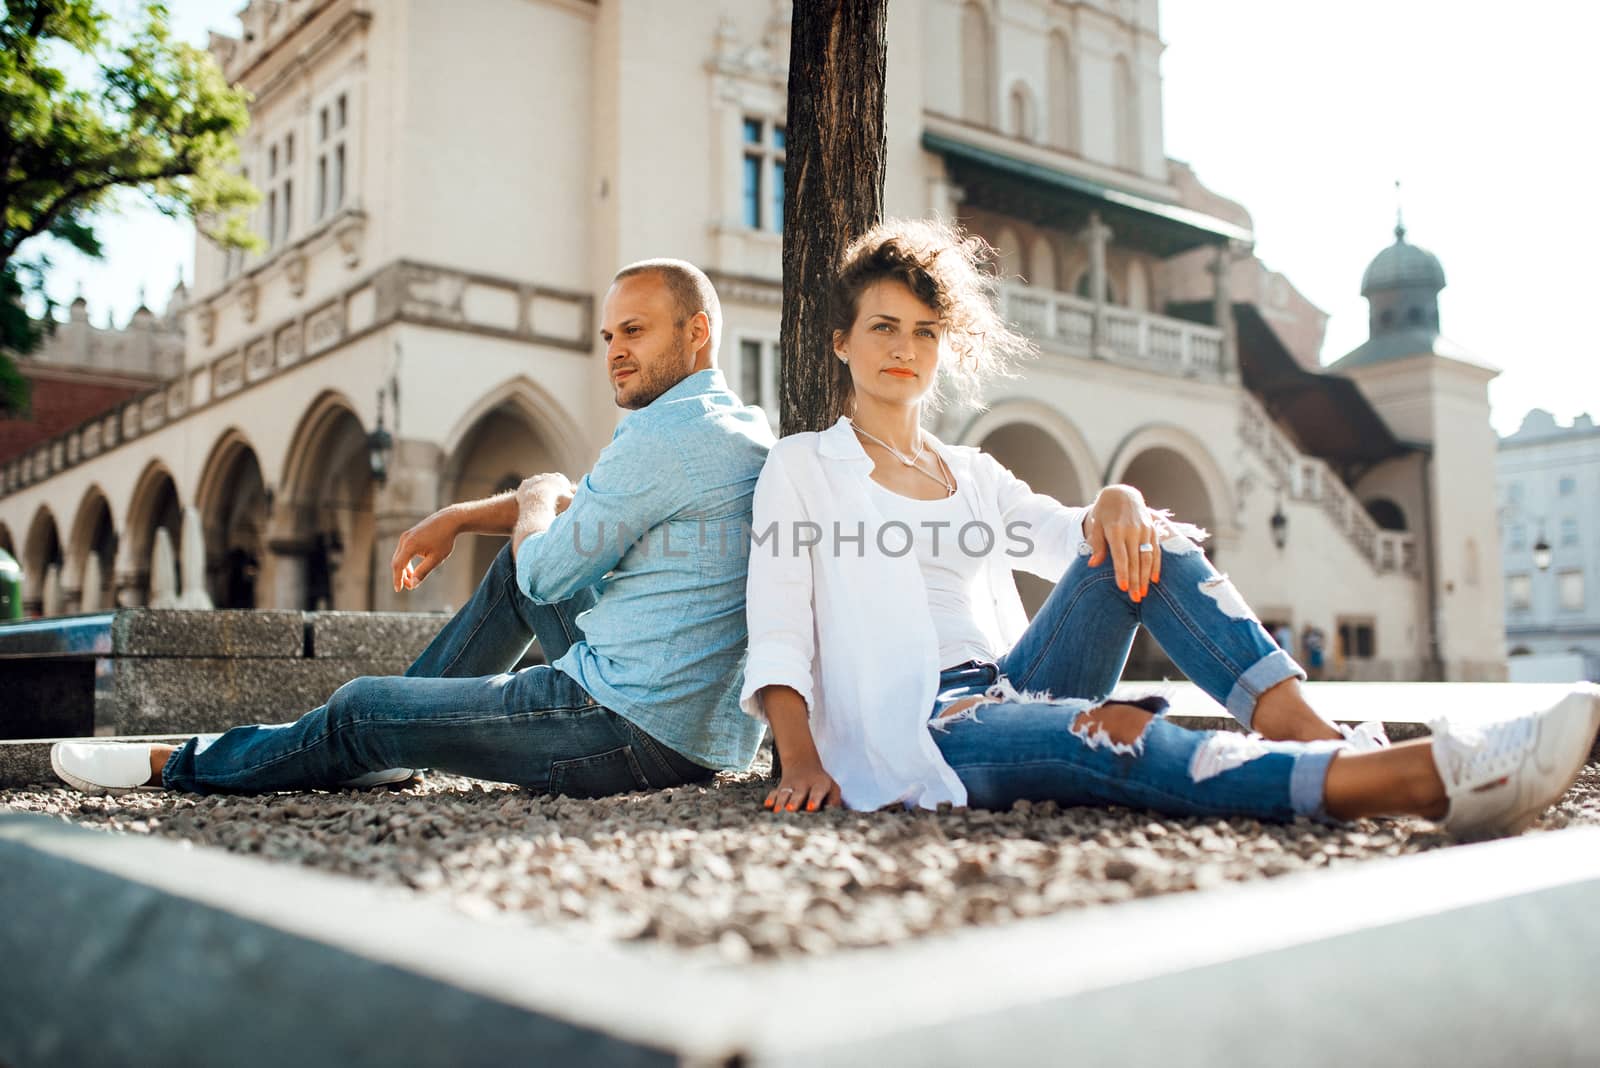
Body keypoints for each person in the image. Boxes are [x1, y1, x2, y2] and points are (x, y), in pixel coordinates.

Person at [740, 219, 1599, 840]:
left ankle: (1314, 733)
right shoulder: (804, 467)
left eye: (925, 332)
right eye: (884, 328)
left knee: (1148, 535)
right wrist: (804, 761)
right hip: (929, 727)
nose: (905, 348)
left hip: (1015, 682)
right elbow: (779, 629)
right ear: (841, 342)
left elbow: (1067, 535)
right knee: (1112, 735)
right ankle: (1416, 776)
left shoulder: (969, 471)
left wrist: (1112, 499)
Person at [52, 260, 774, 798]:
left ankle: (177, 764)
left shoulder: (662, 437)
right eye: (609, 333)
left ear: (697, 331)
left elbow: (546, 567)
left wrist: (537, 494)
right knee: (506, 588)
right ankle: (388, 747)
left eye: (635, 332)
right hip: (691, 729)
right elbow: (588, 509)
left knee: (363, 705)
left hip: (623, 732)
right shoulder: (727, 425)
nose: (615, 349)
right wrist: (463, 516)